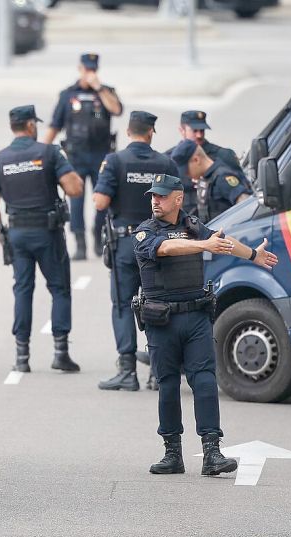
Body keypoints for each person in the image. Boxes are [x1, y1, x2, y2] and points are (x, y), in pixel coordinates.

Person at [133, 174, 279, 476]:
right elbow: (166, 250)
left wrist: (254, 255)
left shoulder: (192, 225)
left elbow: (221, 242)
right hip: (162, 321)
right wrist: (203, 245)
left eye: (161, 196)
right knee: (169, 386)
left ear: (178, 198)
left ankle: (212, 451)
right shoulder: (146, 231)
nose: (155, 201)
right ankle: (172, 453)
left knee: (204, 381)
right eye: (153, 196)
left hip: (196, 317)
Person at [0, 105, 85, 373]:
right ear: (30, 126)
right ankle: (60, 352)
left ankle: (22, 357)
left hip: (17, 233)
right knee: (59, 289)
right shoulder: (49, 153)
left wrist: (0, 232)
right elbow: (75, 189)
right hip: (47, 232)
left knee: (23, 290)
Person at [95, 111, 177, 392]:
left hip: (127, 244)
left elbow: (100, 202)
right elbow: (178, 203)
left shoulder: (115, 161)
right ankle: (157, 371)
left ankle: (127, 370)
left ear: (128, 132)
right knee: (157, 304)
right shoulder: (166, 162)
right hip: (159, 243)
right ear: (151, 132)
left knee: (122, 305)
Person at [43, 53, 123, 260]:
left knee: (102, 200)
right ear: (79, 69)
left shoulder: (106, 93)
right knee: (76, 201)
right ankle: (79, 243)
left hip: (101, 155)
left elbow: (116, 109)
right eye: (86, 69)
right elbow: (55, 124)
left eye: (93, 70)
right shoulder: (68, 95)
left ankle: (98, 236)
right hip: (76, 156)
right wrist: (41, 151)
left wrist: (99, 88)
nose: (89, 73)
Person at [167, 111, 245, 214]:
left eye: (202, 130)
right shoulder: (170, 159)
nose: (199, 135)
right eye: (194, 130)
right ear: (182, 130)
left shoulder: (223, 155)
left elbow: (243, 193)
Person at [171, 139, 252, 224]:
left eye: (187, 171)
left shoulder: (222, 177)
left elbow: (247, 205)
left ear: (196, 160)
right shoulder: (206, 179)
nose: (186, 175)